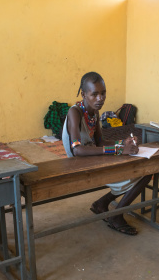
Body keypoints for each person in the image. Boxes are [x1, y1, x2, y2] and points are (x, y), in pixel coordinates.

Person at [62, 72, 152, 236]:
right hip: (79, 163)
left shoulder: (94, 113)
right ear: (83, 94)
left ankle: (102, 203)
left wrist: (123, 143)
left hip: (93, 157)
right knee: (143, 174)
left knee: (143, 169)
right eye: (94, 94)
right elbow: (77, 150)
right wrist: (119, 150)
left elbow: (101, 143)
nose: (100, 98)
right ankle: (116, 215)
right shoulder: (74, 112)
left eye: (103, 93)